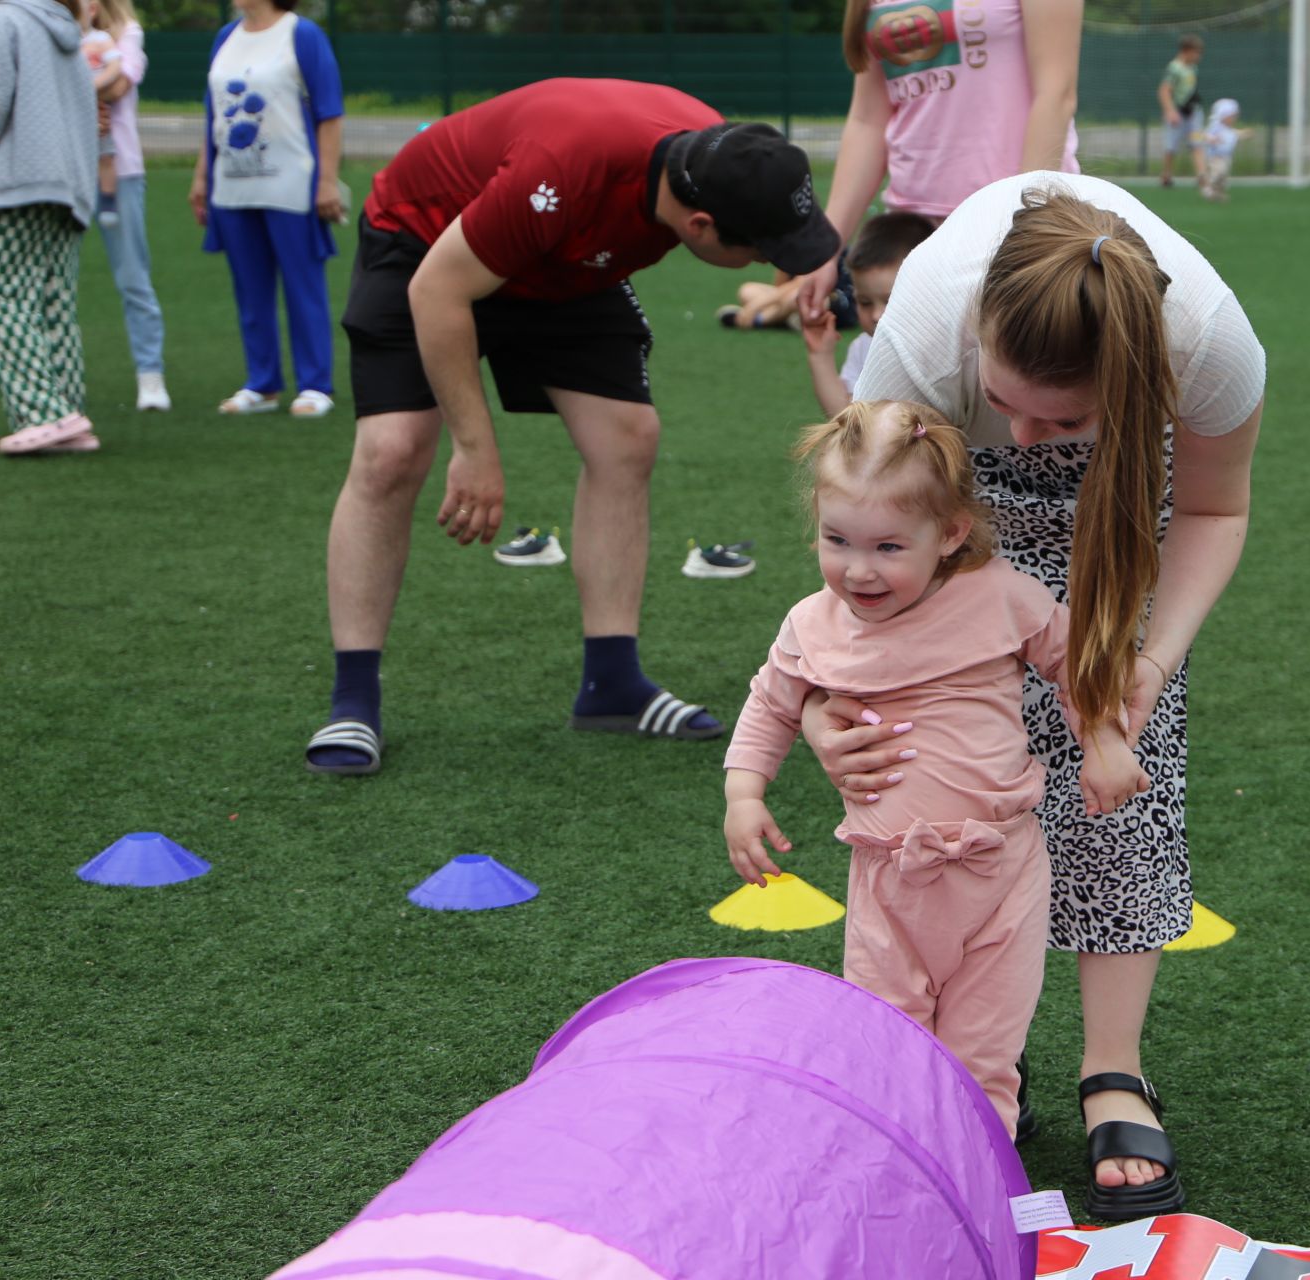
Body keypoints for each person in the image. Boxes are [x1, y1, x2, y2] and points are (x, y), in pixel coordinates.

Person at [812, 174, 1265, 1218]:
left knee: (1118, 772)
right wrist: (834, 701)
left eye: (1054, 415)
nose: (1024, 433)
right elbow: (870, 529)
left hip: (1125, 501)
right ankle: (972, 1068)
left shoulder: (1210, 347)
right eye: (1005, 398)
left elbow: (1213, 504)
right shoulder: (925, 329)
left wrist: (1145, 669)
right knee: (948, 770)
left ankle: (1114, 1066)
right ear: (975, 340)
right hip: (946, 501)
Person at [302, 84, 840, 775]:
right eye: (767, 251)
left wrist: (819, 262)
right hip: (430, 247)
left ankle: (611, 684)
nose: (778, 269)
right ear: (699, 226)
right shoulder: (562, 173)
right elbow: (438, 291)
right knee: (392, 451)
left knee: (625, 436)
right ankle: (353, 698)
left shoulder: (723, 152)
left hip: (565, 262)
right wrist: (474, 447)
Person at [723, 400, 1150, 1138]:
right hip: (890, 879)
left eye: (889, 547)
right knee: (887, 1042)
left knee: (985, 1051)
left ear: (950, 533)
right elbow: (772, 701)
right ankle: (897, 1167)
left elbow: (1075, 662)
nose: (858, 569)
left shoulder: (1001, 597)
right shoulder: (813, 622)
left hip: (1001, 871)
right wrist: (743, 791)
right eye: (837, 540)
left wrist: (1106, 742)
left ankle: (980, 1176)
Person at [734, 0, 1083, 332]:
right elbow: (868, 120)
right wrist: (828, 249)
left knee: (1007, 382)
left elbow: (1056, 94)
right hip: (911, 234)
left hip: (1013, 223)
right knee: (908, 392)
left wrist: (1021, 221)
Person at [0, 0, 100, 456]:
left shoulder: (1, 19)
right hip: (69, 181)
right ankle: (67, 411)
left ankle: (45, 413)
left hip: (22, 178)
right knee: (51, 296)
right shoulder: (64, 25)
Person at [190, 0, 344, 419]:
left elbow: (330, 112)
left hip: (292, 183)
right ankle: (262, 384)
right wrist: (202, 176)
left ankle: (315, 385)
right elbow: (213, 115)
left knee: (303, 284)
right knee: (249, 288)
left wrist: (327, 181)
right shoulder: (225, 37)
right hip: (233, 186)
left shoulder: (302, 35)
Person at [89, 0, 169, 411]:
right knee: (50, 276)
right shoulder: (54, 26)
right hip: (62, 167)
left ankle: (150, 377)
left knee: (132, 276)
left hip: (119, 169)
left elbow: (120, 86)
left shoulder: (126, 31)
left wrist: (80, 86)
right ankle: (53, 378)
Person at [802, 212, 935, 418]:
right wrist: (821, 356)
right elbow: (846, 419)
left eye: (891, 301)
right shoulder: (864, 348)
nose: (876, 315)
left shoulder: (944, 350)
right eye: (864, 302)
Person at [79, 19, 121, 226]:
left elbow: (115, 66)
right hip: (72, 108)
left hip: (98, 105)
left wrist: (93, 87)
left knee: (105, 154)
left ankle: (108, 200)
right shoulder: (62, 36)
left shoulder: (101, 39)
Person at [1157, 35, 1205, 188]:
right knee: (1171, 146)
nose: (1198, 56)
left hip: (1192, 112)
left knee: (1196, 142)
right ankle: (1166, 175)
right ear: (1186, 51)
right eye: (1196, 52)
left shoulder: (1192, 67)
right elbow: (1164, 91)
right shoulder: (1175, 68)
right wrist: (1170, 111)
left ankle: (1202, 175)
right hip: (1177, 112)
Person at [1198, 98, 1249, 202]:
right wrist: (1212, 139)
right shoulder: (1216, 127)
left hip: (1226, 157)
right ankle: (1206, 182)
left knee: (1223, 178)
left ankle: (1217, 194)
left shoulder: (1229, 129)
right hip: (1216, 156)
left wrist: (1244, 134)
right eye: (1232, 116)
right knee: (1218, 172)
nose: (1234, 119)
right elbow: (1204, 135)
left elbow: (1235, 134)